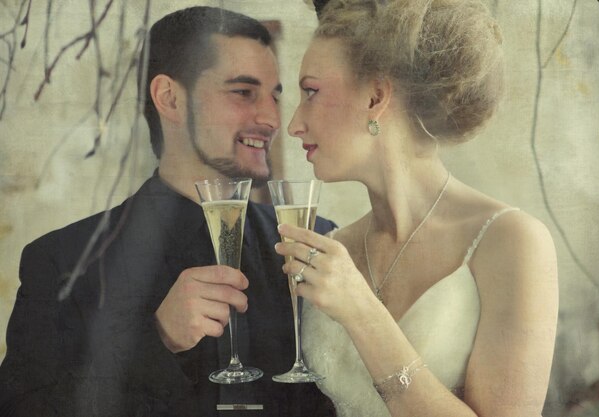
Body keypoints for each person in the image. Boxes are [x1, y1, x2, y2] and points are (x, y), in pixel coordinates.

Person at [0, 6, 337, 417]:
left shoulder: (317, 243)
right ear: (170, 98)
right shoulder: (59, 262)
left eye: (274, 96)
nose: (270, 118)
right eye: (243, 92)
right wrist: (157, 340)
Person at [275, 0, 559, 416]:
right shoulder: (334, 247)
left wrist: (362, 313)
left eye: (312, 92)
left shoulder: (512, 242)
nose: (294, 124)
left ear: (375, 97)